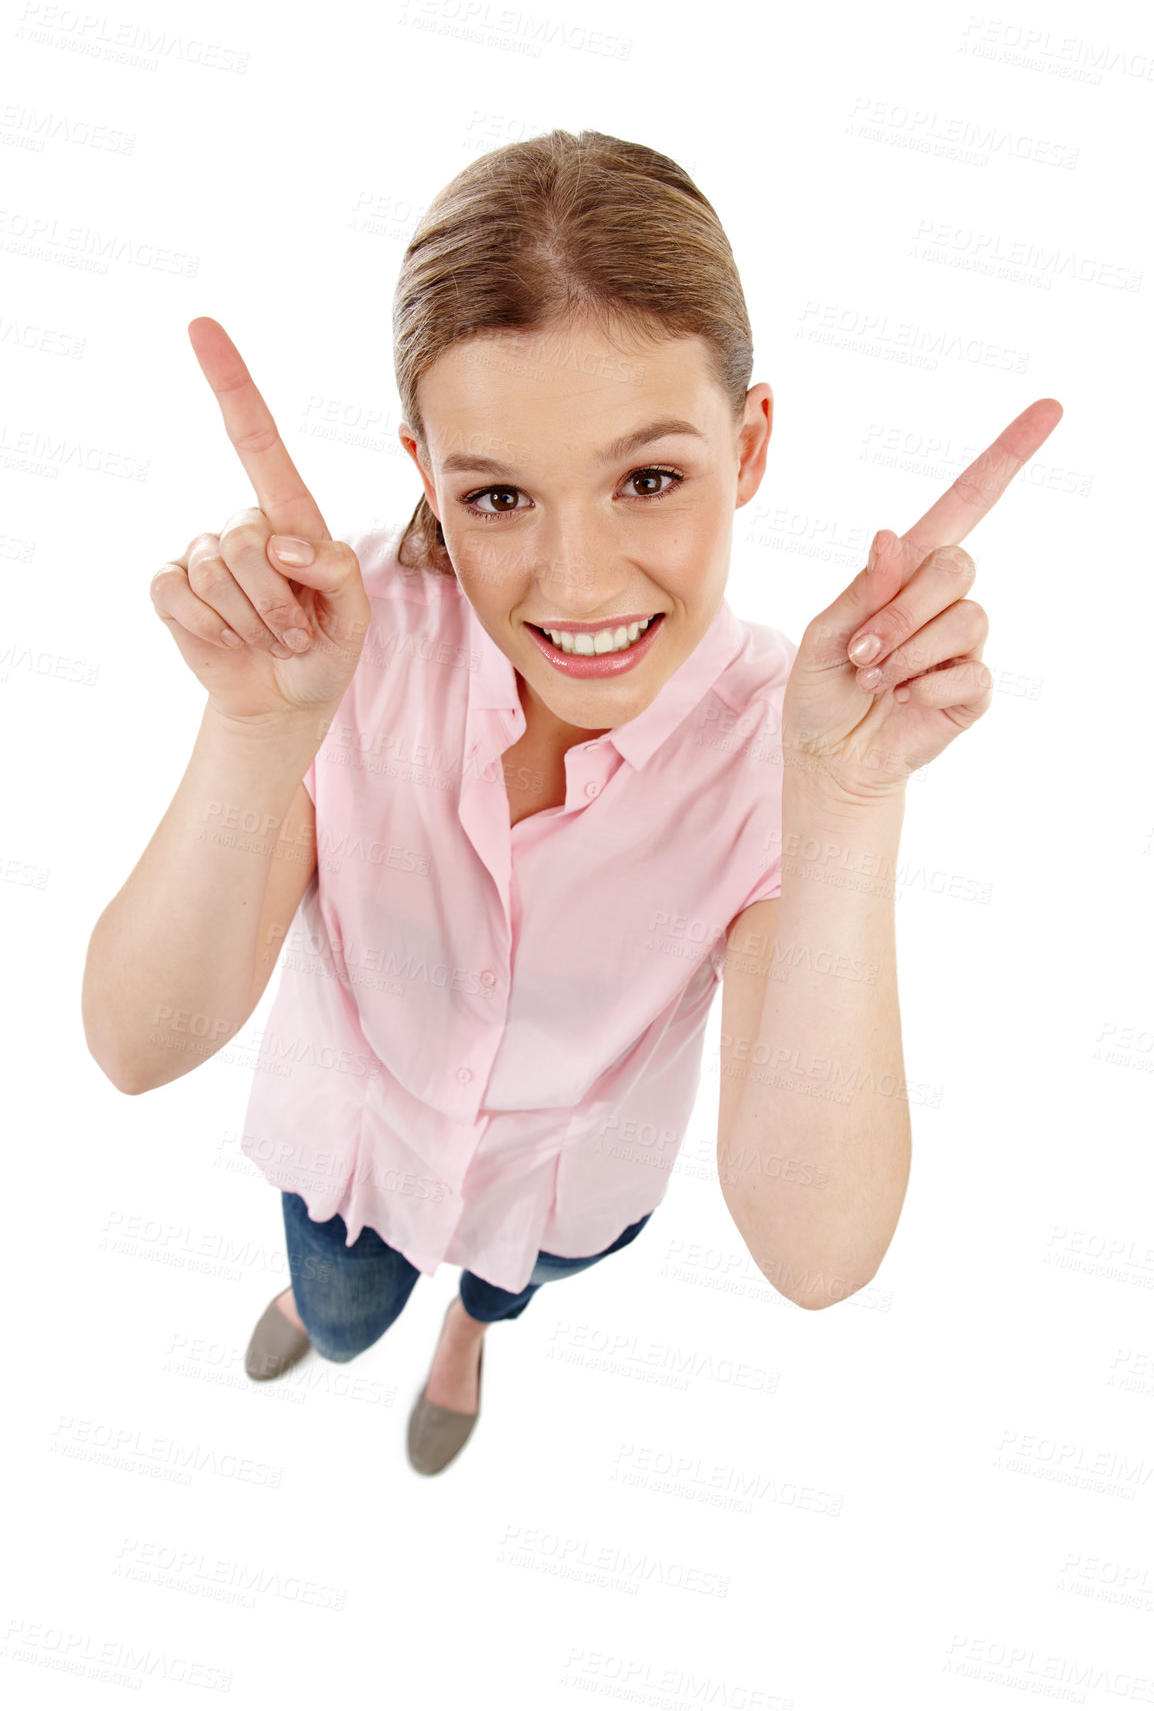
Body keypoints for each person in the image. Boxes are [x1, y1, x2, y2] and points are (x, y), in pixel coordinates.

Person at [81, 129, 1062, 1476]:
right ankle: (332, 1311)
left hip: (558, 1196)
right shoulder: (332, 642)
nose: (581, 582)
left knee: (504, 1282)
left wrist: (841, 803)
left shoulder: (795, 737)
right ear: (429, 474)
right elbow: (139, 1044)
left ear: (750, 441)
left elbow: (818, 1255)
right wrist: (258, 731)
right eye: (496, 497)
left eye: (648, 479)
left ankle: (470, 1337)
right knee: (342, 1302)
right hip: (350, 1162)